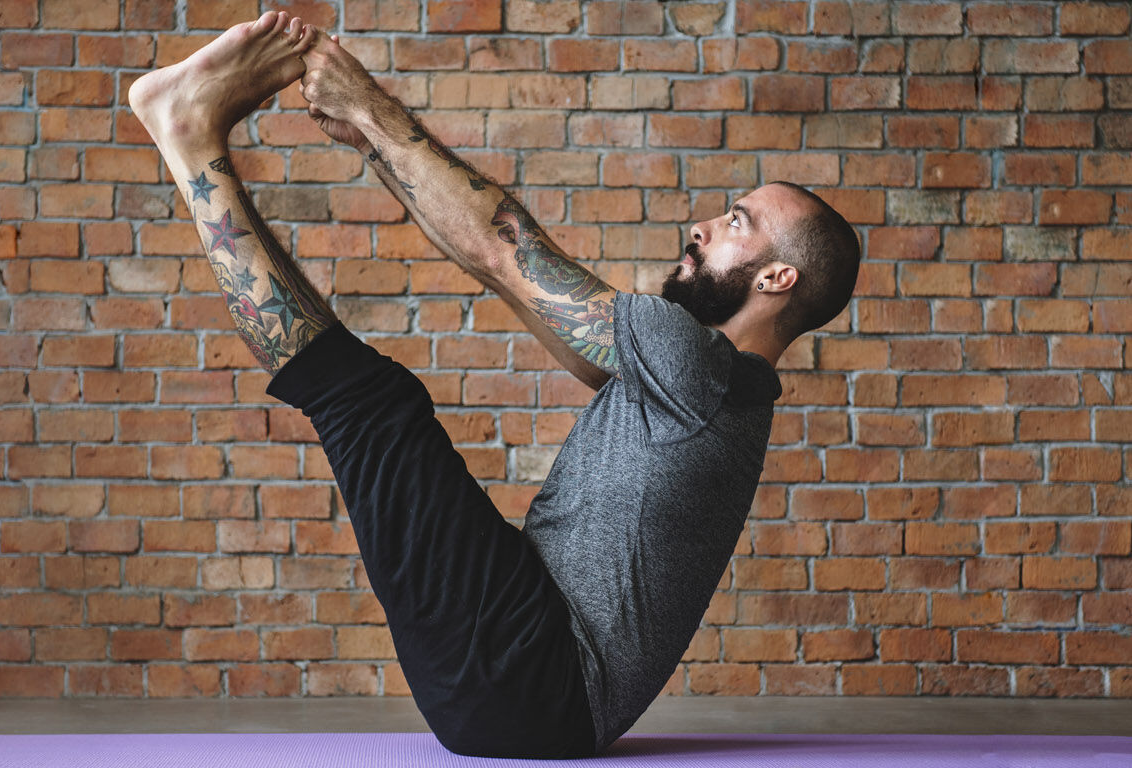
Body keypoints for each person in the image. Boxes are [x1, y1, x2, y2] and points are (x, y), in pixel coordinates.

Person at [128, 11, 861, 759]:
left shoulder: (695, 365)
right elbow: (496, 268)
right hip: (536, 687)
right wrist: (372, 146)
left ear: (777, 277)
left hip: (531, 679)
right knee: (378, 404)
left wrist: (368, 107)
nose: (704, 226)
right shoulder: (722, 387)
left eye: (736, 221)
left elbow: (504, 245)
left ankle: (188, 136)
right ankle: (190, 128)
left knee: (371, 405)